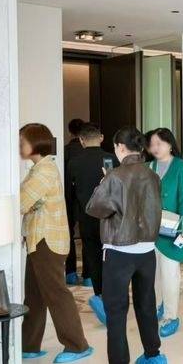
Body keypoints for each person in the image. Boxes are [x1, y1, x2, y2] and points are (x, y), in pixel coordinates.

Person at [86, 127, 166, 364]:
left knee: (117, 312)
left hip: (119, 252)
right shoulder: (152, 175)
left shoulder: (115, 176)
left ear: (121, 147)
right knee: (146, 304)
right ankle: (153, 356)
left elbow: (95, 208)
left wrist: (103, 183)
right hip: (147, 251)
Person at [19, 123, 93, 364]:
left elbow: (21, 202)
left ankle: (77, 345)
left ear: (35, 143)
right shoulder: (38, 169)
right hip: (38, 240)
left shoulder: (45, 171)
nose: (19, 146)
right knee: (34, 295)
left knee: (56, 294)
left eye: (22, 142)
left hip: (47, 242)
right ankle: (29, 345)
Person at [65, 122, 118, 325]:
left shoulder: (74, 163)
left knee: (93, 255)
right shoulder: (111, 159)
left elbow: (70, 195)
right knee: (111, 256)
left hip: (87, 217)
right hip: (110, 217)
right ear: (101, 138)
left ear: (81, 140)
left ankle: (100, 296)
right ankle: (114, 297)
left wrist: (71, 218)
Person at [148, 128, 183, 338]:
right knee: (154, 273)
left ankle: (171, 315)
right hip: (151, 229)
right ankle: (159, 305)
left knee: (170, 273)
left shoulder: (181, 166)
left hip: (172, 228)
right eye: (152, 144)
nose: (155, 147)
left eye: (159, 143)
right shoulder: (149, 166)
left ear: (169, 144)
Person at [64, 118, 85, 285]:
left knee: (68, 235)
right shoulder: (90, 152)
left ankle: (70, 273)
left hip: (68, 198)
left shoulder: (65, 151)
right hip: (88, 200)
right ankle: (89, 276)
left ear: (69, 132)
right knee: (89, 237)